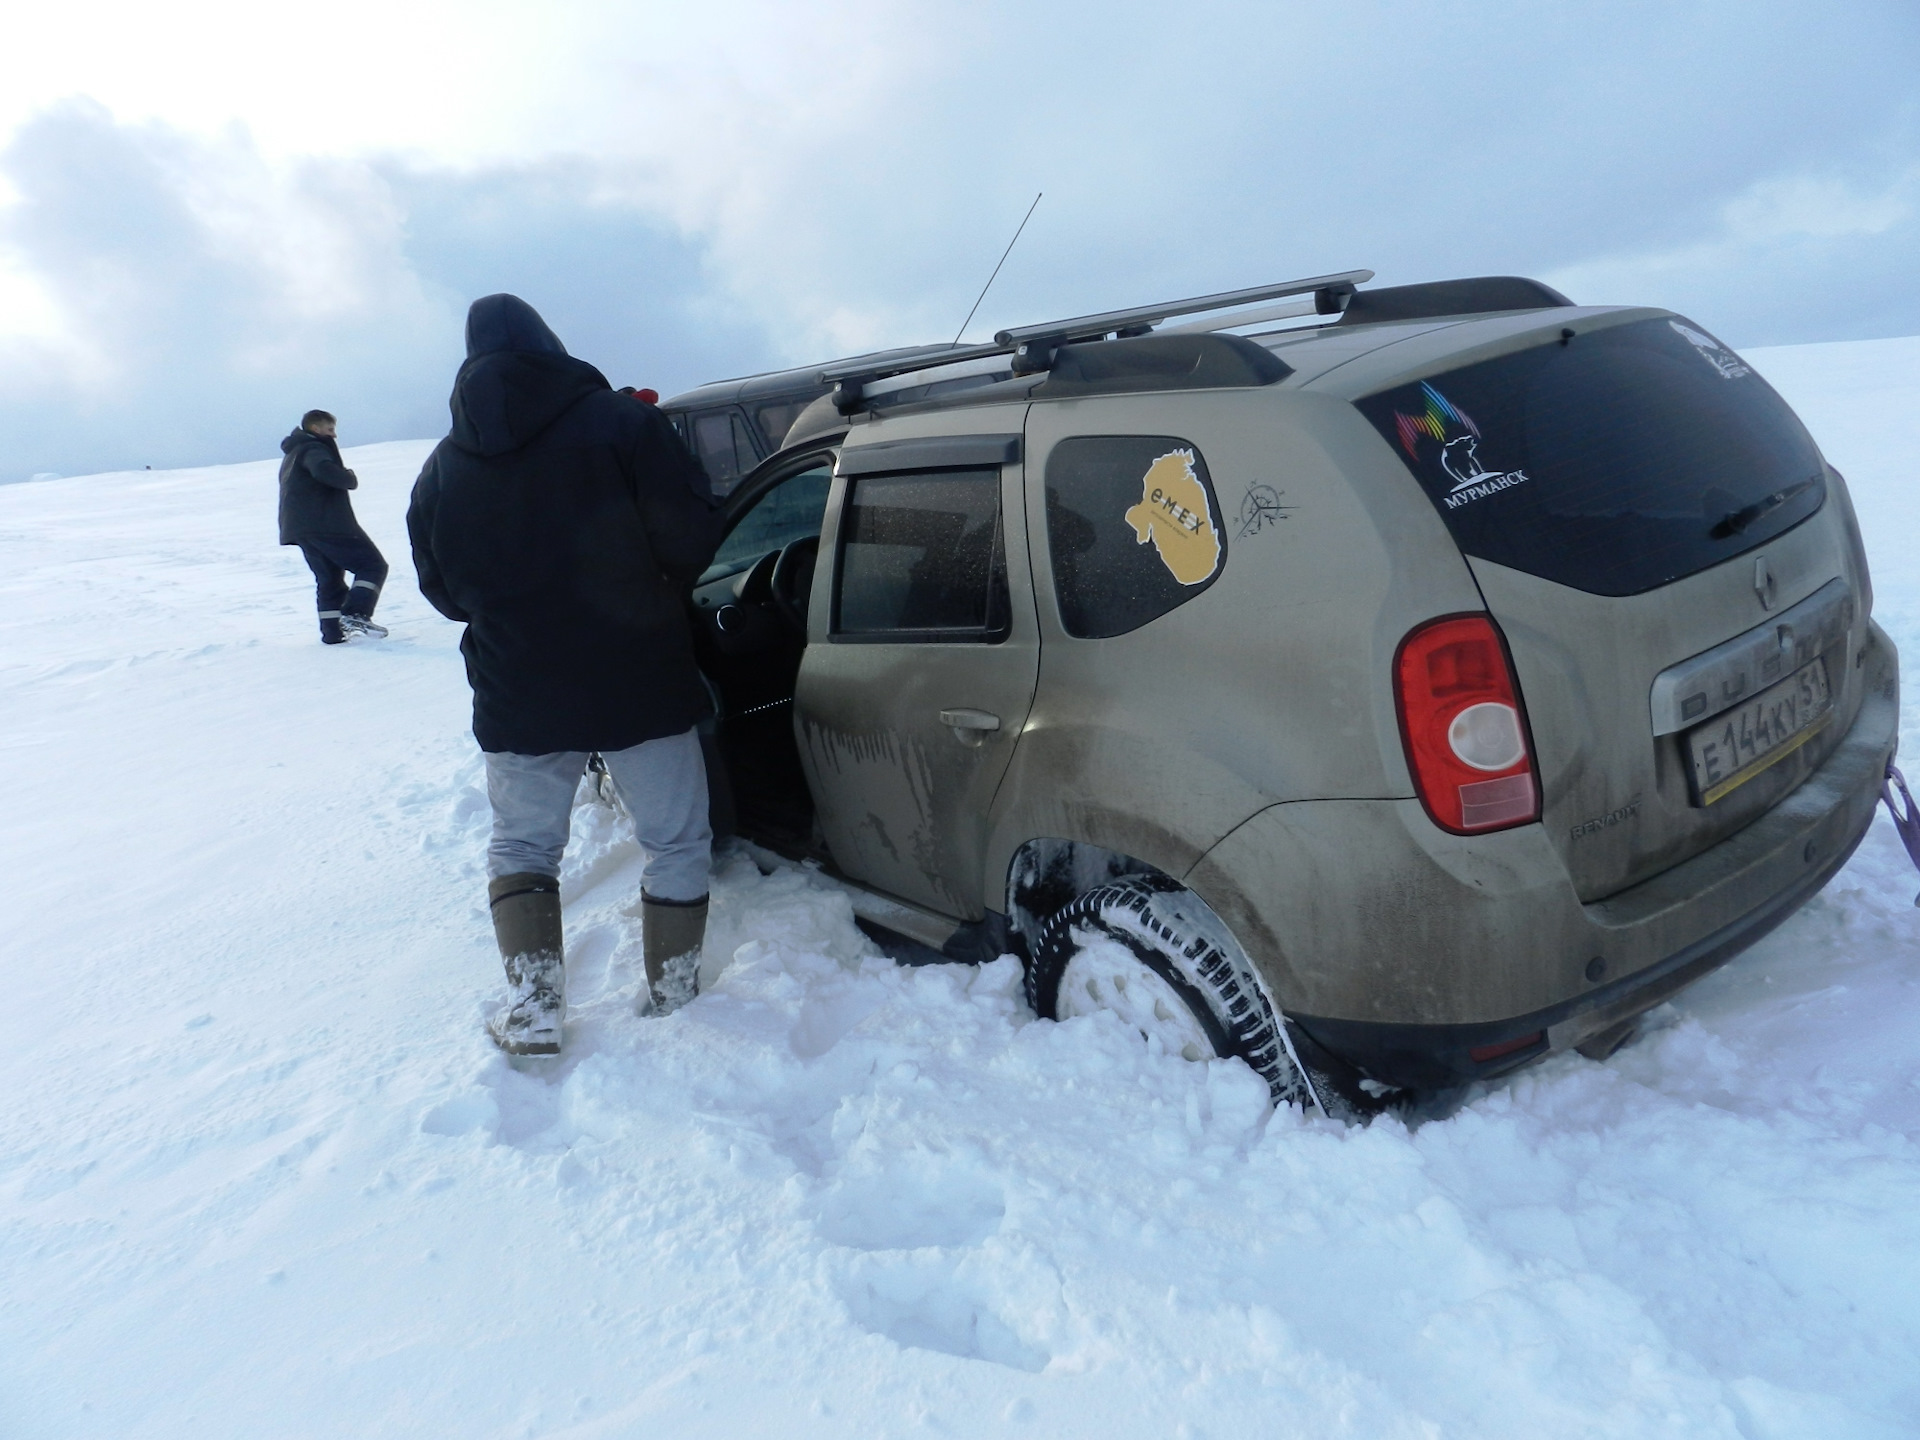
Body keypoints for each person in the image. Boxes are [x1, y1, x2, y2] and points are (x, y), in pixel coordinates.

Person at [407, 295, 724, 1056]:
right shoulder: (624, 425)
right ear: (550, 345)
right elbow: (691, 539)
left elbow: (442, 591)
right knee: (676, 842)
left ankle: (536, 1010)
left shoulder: (444, 466)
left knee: (521, 847)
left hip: (519, 687)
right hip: (638, 676)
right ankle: (675, 998)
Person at [277, 410, 390, 643]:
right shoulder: (312, 447)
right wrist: (348, 477)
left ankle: (333, 632)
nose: (334, 435)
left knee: (328, 578)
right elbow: (322, 470)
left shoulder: (293, 453)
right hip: (327, 523)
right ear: (316, 429)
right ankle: (356, 613)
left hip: (300, 528)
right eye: (330, 430)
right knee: (373, 565)